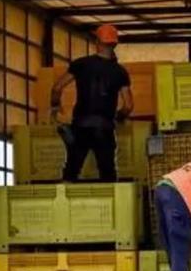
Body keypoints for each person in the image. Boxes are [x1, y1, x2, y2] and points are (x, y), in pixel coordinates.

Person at [52, 23, 134, 182]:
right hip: (104, 127)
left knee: (72, 168)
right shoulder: (120, 72)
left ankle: (63, 202)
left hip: (80, 125)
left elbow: (57, 87)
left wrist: (55, 107)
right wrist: (119, 117)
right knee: (107, 171)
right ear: (115, 44)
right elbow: (128, 106)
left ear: (97, 42)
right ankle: (111, 204)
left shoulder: (81, 65)